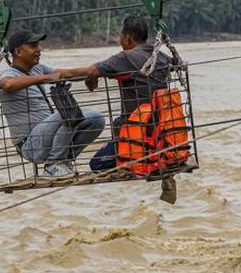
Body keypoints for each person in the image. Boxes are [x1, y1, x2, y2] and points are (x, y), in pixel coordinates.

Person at [46, 15, 171, 173]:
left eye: (121, 36)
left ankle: (131, 162)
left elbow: (91, 70)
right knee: (119, 124)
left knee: (97, 164)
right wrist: (95, 75)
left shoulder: (126, 57)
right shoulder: (159, 56)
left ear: (127, 38)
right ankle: (144, 160)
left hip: (137, 131)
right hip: (161, 127)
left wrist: (59, 74)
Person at [0, 29, 105, 179]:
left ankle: (63, 161)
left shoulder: (37, 69)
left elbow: (64, 74)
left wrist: (93, 73)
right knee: (66, 111)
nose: (39, 50)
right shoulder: (9, 74)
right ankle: (53, 165)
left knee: (96, 117)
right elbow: (7, 84)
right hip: (30, 145)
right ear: (18, 52)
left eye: (38, 45)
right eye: (33, 46)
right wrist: (44, 78)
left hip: (49, 137)